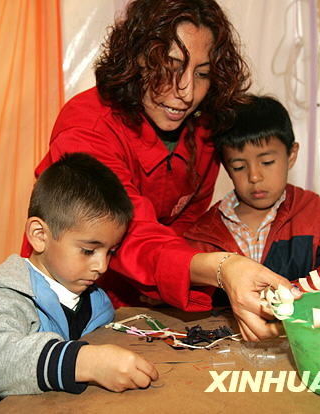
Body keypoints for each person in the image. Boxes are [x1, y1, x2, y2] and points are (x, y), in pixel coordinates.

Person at [21, 0, 300, 342]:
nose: (186, 92)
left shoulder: (205, 129)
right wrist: (223, 268)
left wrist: (173, 279)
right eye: (170, 67)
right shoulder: (87, 126)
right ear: (137, 59)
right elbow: (128, 233)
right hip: (61, 302)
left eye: (202, 73)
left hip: (148, 304)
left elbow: (186, 222)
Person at [0, 153, 158, 408]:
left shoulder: (96, 301)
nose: (102, 266)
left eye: (110, 252)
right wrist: (82, 362)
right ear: (39, 235)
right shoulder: (4, 294)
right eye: (88, 251)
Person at [185, 95, 320, 294]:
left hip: (303, 313)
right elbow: (188, 289)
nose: (254, 176)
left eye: (267, 162)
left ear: (291, 155)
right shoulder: (202, 233)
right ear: (226, 167)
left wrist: (283, 295)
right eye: (239, 166)